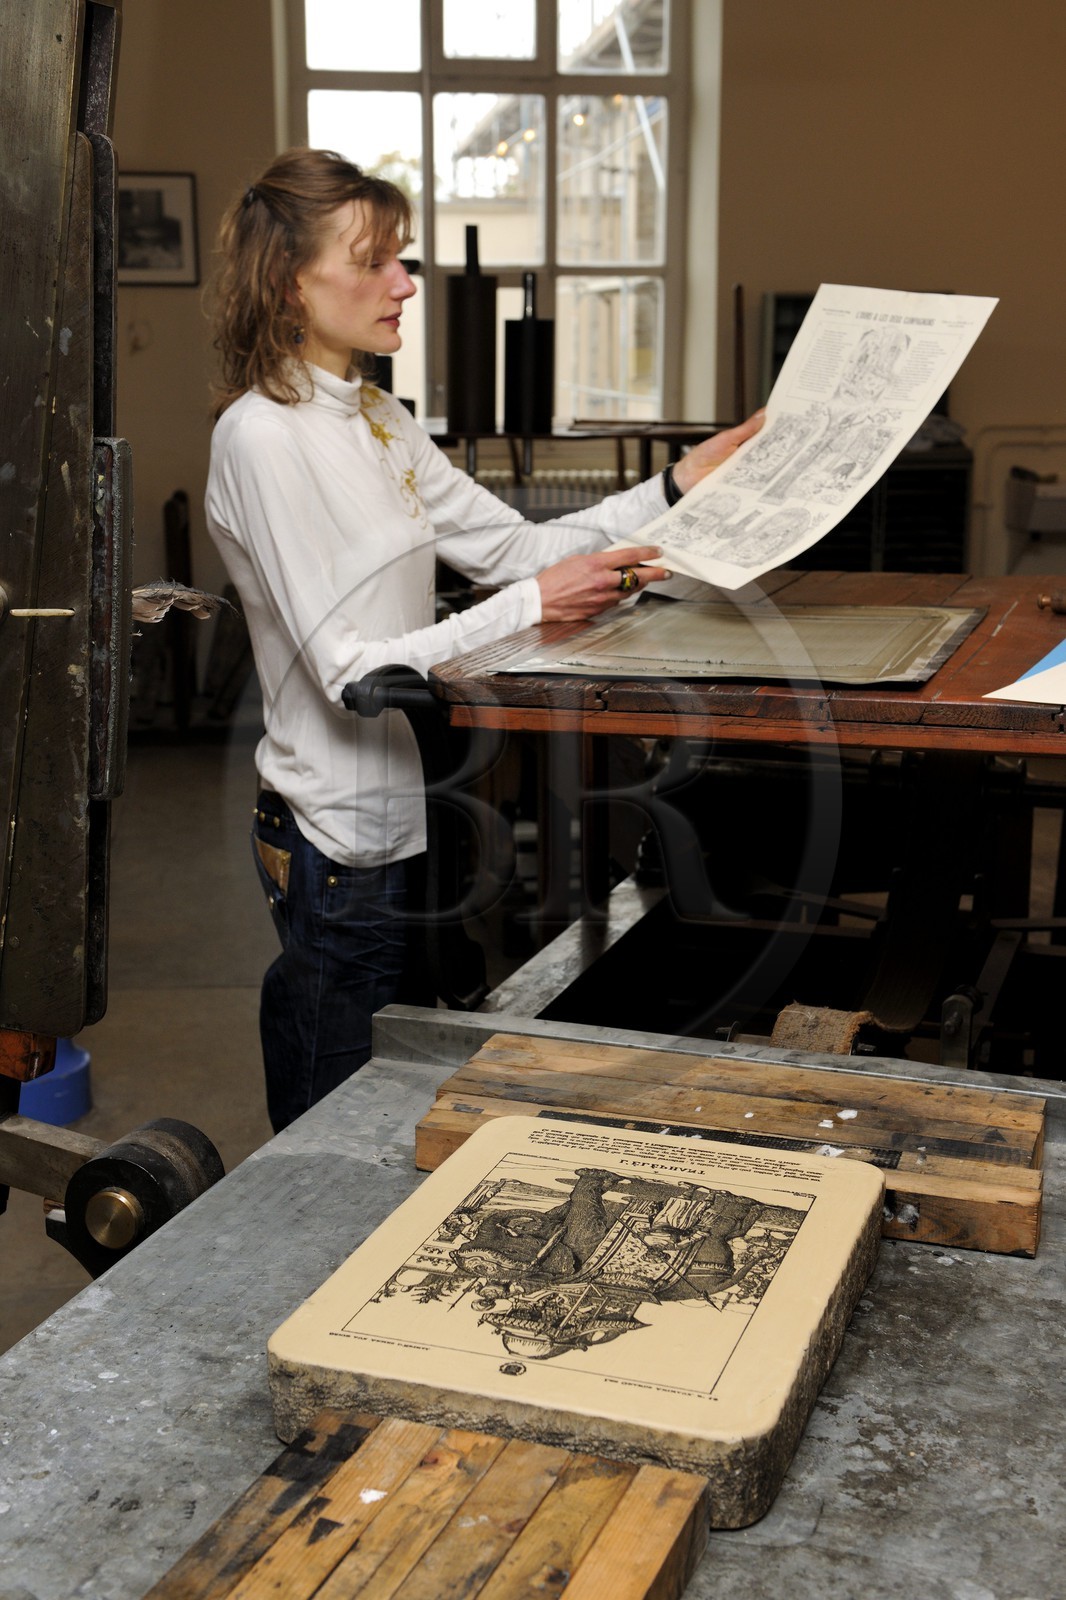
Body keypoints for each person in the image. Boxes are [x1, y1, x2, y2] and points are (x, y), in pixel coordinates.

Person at [204, 146, 763, 1132]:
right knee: (328, 1127)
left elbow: (517, 547)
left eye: (401, 257)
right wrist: (537, 604)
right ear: (291, 284)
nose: (404, 282)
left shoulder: (377, 416)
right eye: (374, 259)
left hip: (414, 817)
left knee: (397, 1107)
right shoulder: (260, 437)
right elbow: (352, 668)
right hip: (335, 834)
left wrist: (681, 483)